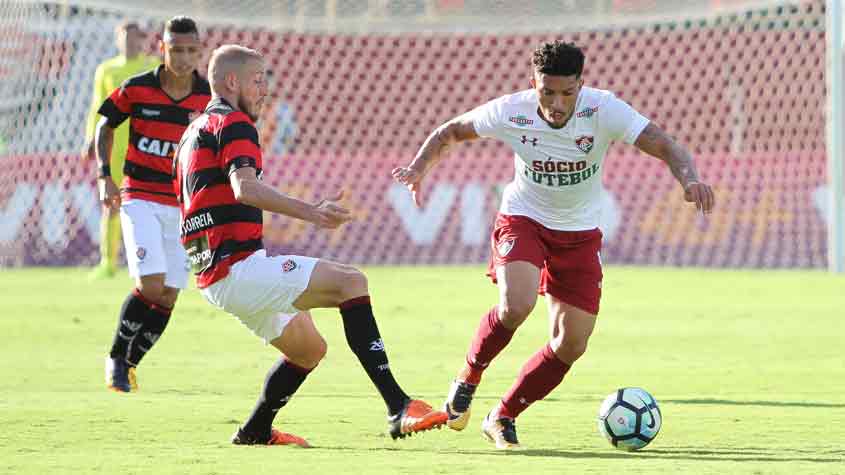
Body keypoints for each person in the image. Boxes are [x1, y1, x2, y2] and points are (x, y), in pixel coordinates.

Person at [392, 40, 715, 449]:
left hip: (580, 232)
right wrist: (420, 168)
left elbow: (665, 145)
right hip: (523, 217)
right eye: (547, 92)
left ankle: (502, 415)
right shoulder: (513, 109)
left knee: (571, 342)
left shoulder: (604, 110)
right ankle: (468, 377)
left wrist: (689, 179)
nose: (557, 103)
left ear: (581, 84)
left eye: (567, 93)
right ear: (534, 84)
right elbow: (450, 132)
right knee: (517, 304)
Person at [173, 44, 447, 446]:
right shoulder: (234, 122)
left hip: (213, 273)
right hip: (237, 268)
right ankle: (398, 406)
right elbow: (243, 187)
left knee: (308, 349)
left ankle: (255, 431)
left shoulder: (193, 131)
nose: (265, 88)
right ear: (232, 82)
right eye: (258, 79)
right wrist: (313, 213)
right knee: (351, 282)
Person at [96, 16, 210, 392]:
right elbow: (106, 125)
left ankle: (129, 366)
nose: (183, 57)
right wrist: (104, 176)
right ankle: (115, 358)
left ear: (199, 51)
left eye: (191, 50)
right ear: (162, 49)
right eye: (176, 49)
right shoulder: (139, 89)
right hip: (140, 197)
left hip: (185, 207)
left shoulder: (207, 98)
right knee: (151, 284)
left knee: (170, 294)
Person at [83, 21, 159, 280]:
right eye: (125, 38)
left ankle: (167, 258)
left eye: (135, 38)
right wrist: (90, 138)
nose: (130, 43)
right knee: (111, 202)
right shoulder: (106, 69)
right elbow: (98, 106)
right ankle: (108, 262)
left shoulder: (153, 66)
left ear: (142, 40)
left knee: (160, 202)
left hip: (148, 146)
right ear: (118, 40)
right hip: (114, 147)